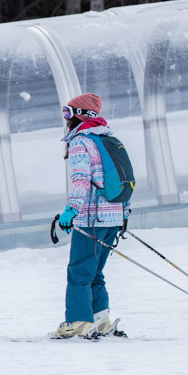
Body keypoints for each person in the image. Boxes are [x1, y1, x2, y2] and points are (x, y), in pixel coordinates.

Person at [55, 93, 129, 338]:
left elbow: (81, 179)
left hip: (92, 218)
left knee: (79, 271)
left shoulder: (80, 142)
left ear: (79, 115)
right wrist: (123, 214)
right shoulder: (108, 139)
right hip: (113, 217)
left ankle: (78, 322)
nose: (66, 118)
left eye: (68, 112)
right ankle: (101, 320)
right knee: (94, 272)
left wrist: (71, 210)